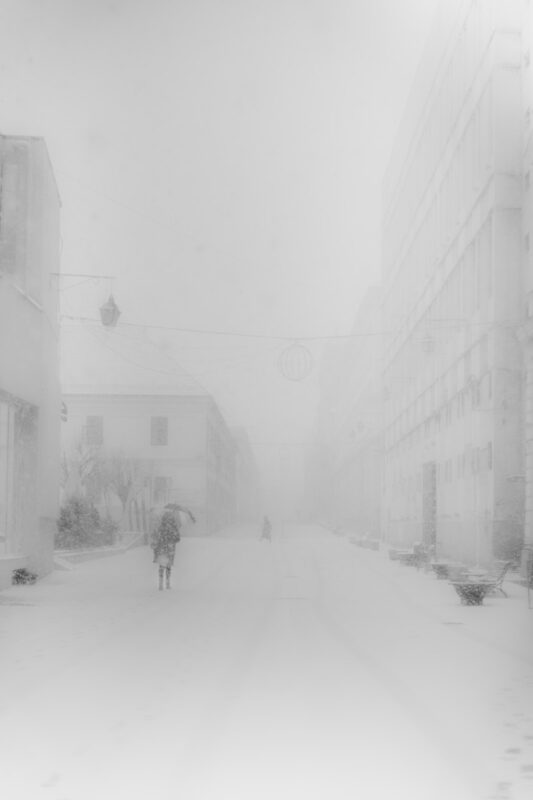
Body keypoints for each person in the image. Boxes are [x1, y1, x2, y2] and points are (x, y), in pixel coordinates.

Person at [152, 509, 181, 590]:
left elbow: (156, 536)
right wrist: (172, 540)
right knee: (168, 566)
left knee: (161, 565)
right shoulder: (173, 525)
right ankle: (167, 583)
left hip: (162, 548)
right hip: (170, 548)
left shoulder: (161, 525)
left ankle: (160, 584)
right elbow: (178, 538)